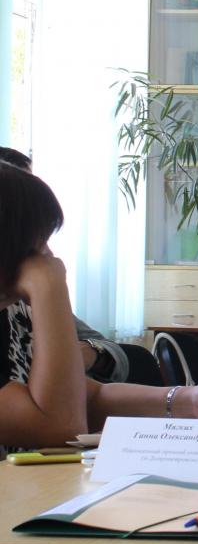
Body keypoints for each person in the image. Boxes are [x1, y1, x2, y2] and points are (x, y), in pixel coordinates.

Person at [0, 162, 198, 455]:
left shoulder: (14, 312)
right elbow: (60, 426)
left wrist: (188, 399)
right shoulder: (36, 295)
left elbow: (90, 398)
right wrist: (49, 286)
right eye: (36, 245)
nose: (48, 256)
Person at [0, 146, 129, 383]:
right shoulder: (29, 292)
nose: (48, 254)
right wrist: (49, 286)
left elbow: (114, 359)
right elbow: (60, 410)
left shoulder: (20, 302)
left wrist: (86, 353)